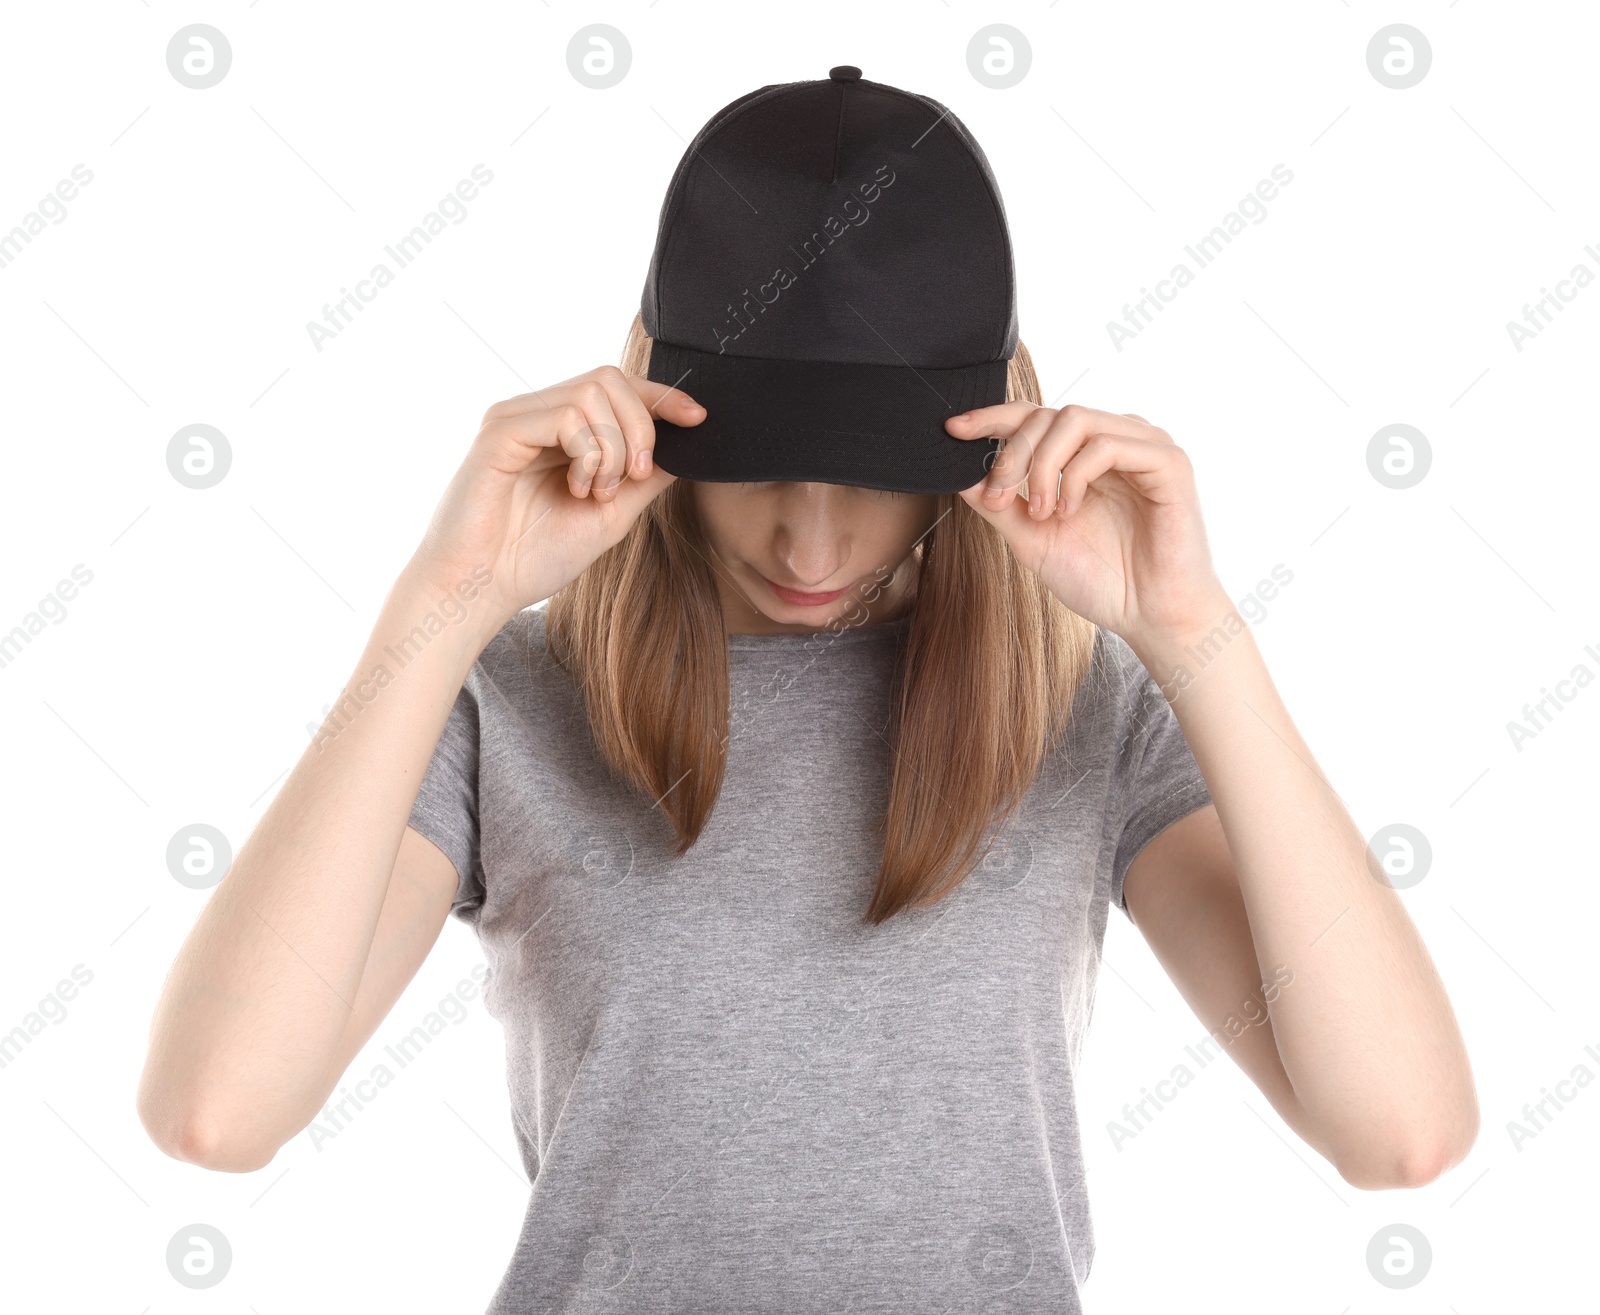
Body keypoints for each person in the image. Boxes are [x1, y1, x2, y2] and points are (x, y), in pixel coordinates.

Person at [136, 67, 1478, 1313]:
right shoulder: (513, 702)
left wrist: (1197, 635)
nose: (813, 545)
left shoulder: (1086, 711)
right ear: (657, 413)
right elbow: (216, 1111)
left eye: (878, 472)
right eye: (764, 463)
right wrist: (440, 610)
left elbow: (1402, 1134)